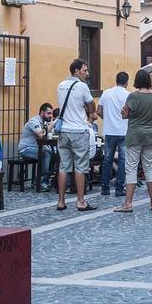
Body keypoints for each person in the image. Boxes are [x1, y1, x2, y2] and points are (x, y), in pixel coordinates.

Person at [55, 59, 97, 211]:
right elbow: (91, 105)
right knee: (80, 167)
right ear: (77, 71)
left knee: (63, 167)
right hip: (79, 130)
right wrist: (88, 108)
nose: (87, 73)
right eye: (85, 70)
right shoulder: (82, 86)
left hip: (64, 130)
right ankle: (80, 201)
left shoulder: (60, 85)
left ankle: (61, 201)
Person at [115, 69, 152, 212]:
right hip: (150, 134)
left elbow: (125, 114)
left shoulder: (133, 96)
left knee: (131, 169)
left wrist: (124, 113)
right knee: (149, 167)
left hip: (135, 134)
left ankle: (128, 203)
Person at [98, 72, 130, 196]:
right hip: (124, 131)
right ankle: (119, 188)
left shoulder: (106, 93)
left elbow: (99, 111)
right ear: (126, 82)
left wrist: (107, 119)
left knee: (107, 160)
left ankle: (105, 188)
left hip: (109, 131)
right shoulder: (129, 95)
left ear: (116, 80)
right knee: (122, 160)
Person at [19, 103, 56, 190]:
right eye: (48, 113)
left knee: (54, 154)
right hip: (26, 149)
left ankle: (42, 180)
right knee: (46, 154)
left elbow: (51, 133)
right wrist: (53, 123)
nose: (50, 116)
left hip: (38, 148)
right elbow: (40, 134)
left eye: (51, 113)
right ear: (42, 113)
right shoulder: (34, 121)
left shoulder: (45, 122)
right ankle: (41, 182)